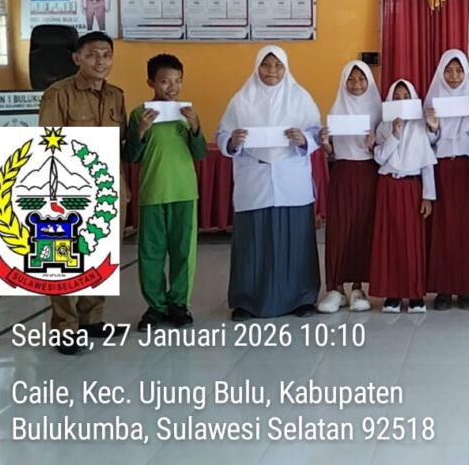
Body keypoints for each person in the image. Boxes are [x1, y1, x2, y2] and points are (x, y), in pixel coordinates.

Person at [37, 31, 128, 354]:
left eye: (106, 55)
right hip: (69, 188)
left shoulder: (116, 96)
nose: (100, 61)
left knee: (102, 252)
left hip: (109, 186)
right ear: (77, 58)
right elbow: (48, 143)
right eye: (92, 55)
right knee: (62, 258)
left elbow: (120, 144)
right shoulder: (58, 94)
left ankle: (92, 318)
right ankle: (64, 327)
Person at [216, 45, 322, 321]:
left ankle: (302, 297)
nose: (271, 71)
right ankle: (247, 300)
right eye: (266, 64)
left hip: (291, 181)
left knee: (295, 241)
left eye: (278, 65)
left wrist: (304, 139)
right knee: (253, 243)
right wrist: (232, 141)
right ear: (257, 67)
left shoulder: (300, 97)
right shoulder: (241, 100)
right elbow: (222, 134)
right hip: (255, 180)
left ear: (286, 68)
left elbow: (317, 132)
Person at [126, 54, 207, 332]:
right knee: (151, 253)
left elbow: (200, 153)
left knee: (184, 252)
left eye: (177, 81)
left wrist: (195, 127)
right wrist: (141, 130)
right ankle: (156, 306)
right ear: (151, 82)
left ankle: (179, 303)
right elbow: (131, 156)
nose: (172, 87)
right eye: (164, 81)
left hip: (185, 193)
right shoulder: (139, 114)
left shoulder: (187, 114)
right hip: (152, 193)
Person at [423, 50, 469, 310]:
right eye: (448, 70)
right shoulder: (430, 103)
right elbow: (424, 142)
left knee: (465, 229)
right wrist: (433, 126)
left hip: (464, 170)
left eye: (459, 70)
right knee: (441, 229)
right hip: (439, 170)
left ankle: (465, 289)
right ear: (441, 72)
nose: (453, 76)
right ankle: (443, 289)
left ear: (466, 73)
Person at [318, 61, 382, 314]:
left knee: (362, 229)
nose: (356, 85)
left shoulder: (378, 110)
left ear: (369, 82)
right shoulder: (337, 108)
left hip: (369, 173)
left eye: (361, 79)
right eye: (351, 79)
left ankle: (358, 287)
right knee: (339, 229)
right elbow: (333, 151)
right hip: (343, 173)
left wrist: (373, 145)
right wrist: (325, 144)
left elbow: (387, 149)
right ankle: (335, 288)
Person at [369, 80, 437, 313]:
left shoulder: (420, 126)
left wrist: (428, 196)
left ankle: (415, 294)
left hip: (412, 188)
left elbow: (427, 163)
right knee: (390, 240)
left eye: (405, 97)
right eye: (396, 97)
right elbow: (380, 158)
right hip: (388, 187)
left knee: (412, 241)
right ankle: (393, 294)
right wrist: (395, 134)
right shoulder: (384, 127)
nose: (400, 101)